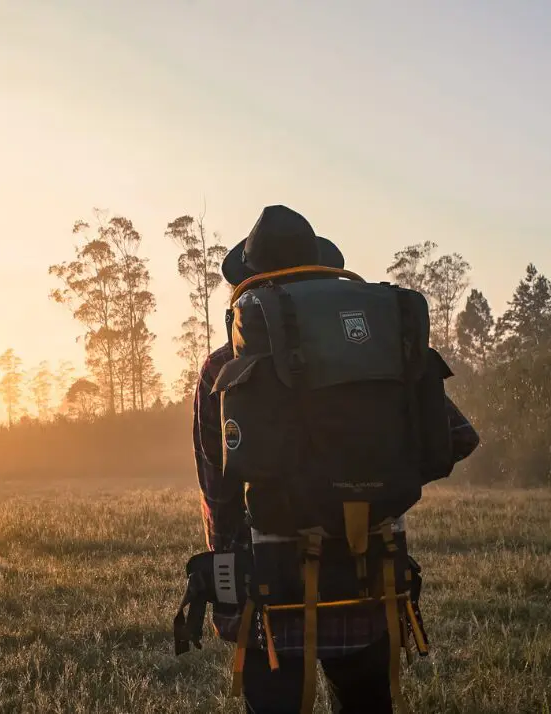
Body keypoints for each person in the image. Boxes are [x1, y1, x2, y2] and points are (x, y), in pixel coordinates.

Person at [191, 205, 480, 714]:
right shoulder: (384, 353)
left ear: (253, 283)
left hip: (271, 594)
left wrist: (230, 577)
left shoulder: (223, 367)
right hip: (370, 581)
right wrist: (371, 480)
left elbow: (218, 490)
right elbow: (455, 439)